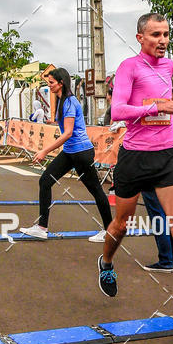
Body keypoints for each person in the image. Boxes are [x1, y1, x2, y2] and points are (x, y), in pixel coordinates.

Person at [97, 12, 173, 331]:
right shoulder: (128, 68)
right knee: (121, 224)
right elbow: (119, 110)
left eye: (166, 34)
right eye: (156, 35)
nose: (163, 40)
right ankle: (106, 262)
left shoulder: (168, 67)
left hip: (167, 157)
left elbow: (162, 104)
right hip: (135, 157)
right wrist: (161, 107)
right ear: (140, 38)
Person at [20, 68, 112, 240]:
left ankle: (109, 231)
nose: (50, 86)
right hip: (70, 152)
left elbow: (68, 132)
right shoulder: (62, 100)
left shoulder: (69, 101)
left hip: (81, 153)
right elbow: (66, 126)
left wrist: (44, 151)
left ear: (61, 83)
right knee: (45, 180)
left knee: (95, 189)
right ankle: (41, 227)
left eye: (52, 83)